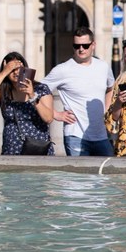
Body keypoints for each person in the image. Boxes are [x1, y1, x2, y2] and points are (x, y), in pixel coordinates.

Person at [39, 27, 115, 156]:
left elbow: (111, 88)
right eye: (76, 46)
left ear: (93, 45)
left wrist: (106, 110)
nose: (81, 49)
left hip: (101, 135)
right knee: (80, 176)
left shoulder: (103, 66)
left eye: (85, 45)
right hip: (75, 136)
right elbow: (37, 91)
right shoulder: (62, 69)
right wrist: (55, 114)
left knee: (108, 174)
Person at [0, 51, 55, 155]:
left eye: (18, 69)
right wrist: (3, 72)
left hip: (37, 147)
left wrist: (33, 96)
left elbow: (48, 118)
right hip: (11, 148)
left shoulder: (40, 89)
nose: (15, 73)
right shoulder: (5, 92)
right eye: (12, 70)